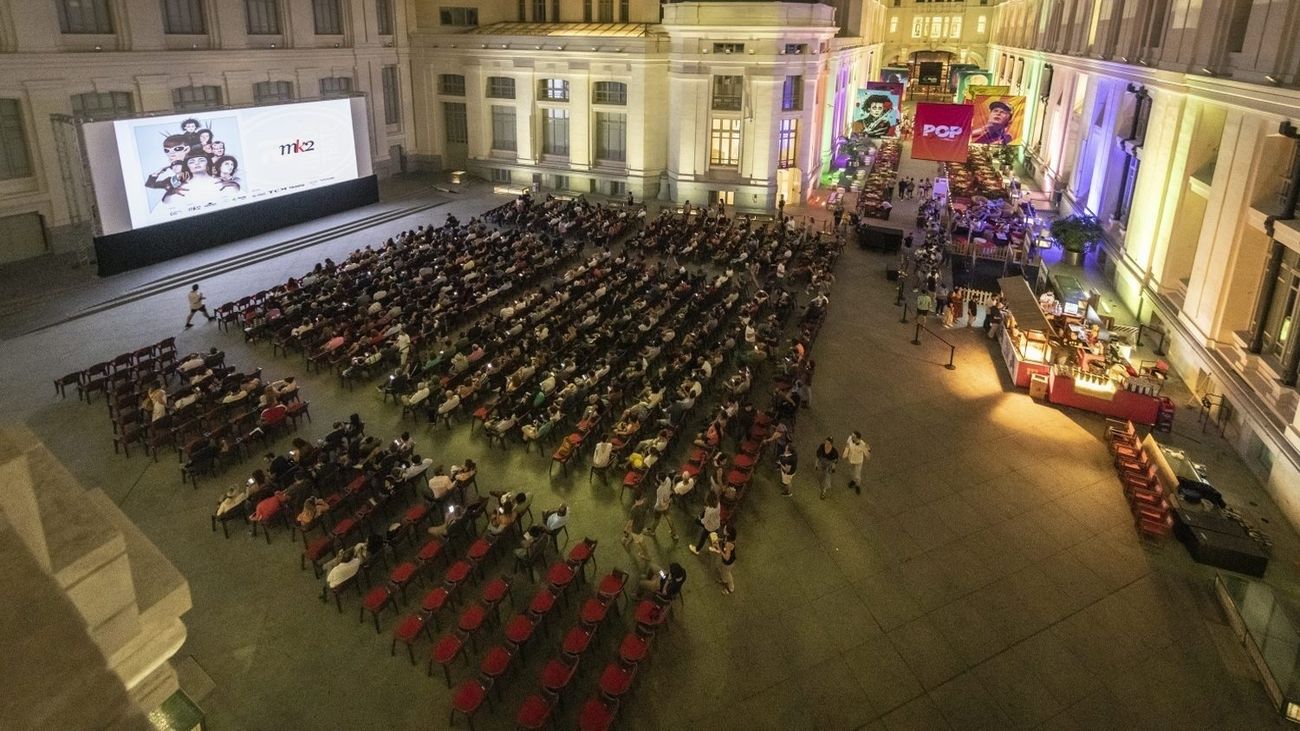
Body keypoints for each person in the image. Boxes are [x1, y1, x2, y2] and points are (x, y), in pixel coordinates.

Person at [648, 471, 678, 540]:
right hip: (667, 506)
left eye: (657, 478)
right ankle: (674, 533)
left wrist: (665, 502)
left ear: (660, 480)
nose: (656, 479)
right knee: (668, 518)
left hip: (659, 508)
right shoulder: (668, 479)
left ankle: (652, 532)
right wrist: (668, 501)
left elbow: (660, 503)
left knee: (656, 519)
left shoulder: (659, 490)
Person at [623, 495, 652, 563]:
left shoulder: (634, 509)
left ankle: (647, 555)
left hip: (636, 529)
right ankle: (627, 543)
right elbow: (648, 512)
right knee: (635, 537)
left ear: (635, 499)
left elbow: (630, 522)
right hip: (641, 525)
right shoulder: (645, 502)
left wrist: (626, 528)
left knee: (641, 543)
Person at [709, 524, 737, 595]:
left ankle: (731, 588)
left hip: (728, 563)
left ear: (728, 533)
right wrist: (719, 539)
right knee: (721, 569)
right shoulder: (729, 537)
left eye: (725, 529)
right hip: (725, 562)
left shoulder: (728, 544)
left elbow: (727, 558)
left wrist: (719, 548)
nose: (724, 529)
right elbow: (724, 539)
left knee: (727, 574)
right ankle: (724, 580)